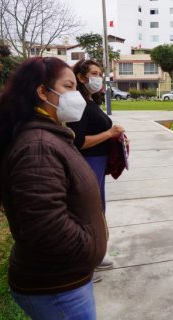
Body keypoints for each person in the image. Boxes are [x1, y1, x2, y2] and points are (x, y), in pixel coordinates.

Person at [0, 57, 107, 319]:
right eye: (68, 86)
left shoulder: (48, 134)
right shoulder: (37, 146)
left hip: (65, 280)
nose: (76, 95)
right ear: (42, 92)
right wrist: (88, 248)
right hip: (57, 287)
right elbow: (47, 227)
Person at [67, 59, 125, 271]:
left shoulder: (90, 101)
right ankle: (89, 258)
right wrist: (110, 133)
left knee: (97, 206)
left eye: (100, 73)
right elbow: (79, 141)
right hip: (89, 161)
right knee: (91, 209)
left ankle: (95, 252)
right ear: (82, 77)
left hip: (98, 162)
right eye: (94, 73)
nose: (99, 77)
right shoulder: (79, 104)